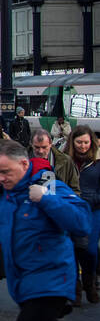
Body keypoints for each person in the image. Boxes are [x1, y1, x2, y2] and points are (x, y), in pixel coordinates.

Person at [0, 139, 90, 321]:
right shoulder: (6, 191)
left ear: (24, 164)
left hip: (50, 280)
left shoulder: (47, 185)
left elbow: (81, 222)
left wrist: (46, 199)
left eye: (6, 171)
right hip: (24, 282)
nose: (2, 177)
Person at [64, 126, 100, 305]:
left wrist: (92, 199)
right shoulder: (65, 160)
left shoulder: (97, 162)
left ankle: (90, 281)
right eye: (79, 142)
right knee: (70, 250)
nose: (83, 146)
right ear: (73, 142)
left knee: (90, 250)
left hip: (93, 209)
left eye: (86, 142)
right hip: (70, 211)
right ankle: (75, 289)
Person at [31, 129, 79, 194]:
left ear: (51, 144)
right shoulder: (23, 160)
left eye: (44, 147)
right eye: (37, 147)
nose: (40, 151)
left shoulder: (66, 161)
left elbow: (75, 189)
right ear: (31, 144)